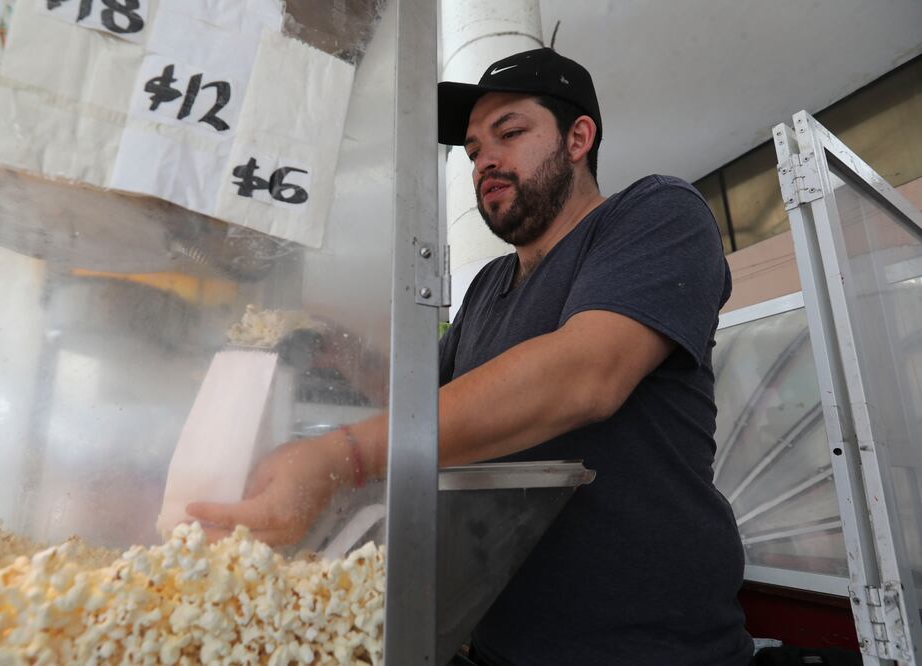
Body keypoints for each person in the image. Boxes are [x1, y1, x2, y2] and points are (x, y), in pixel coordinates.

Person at [187, 47, 754, 665]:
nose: (485, 160)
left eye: (510, 133)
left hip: (649, 648)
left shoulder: (656, 213)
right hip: (491, 638)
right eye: (474, 149)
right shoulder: (488, 286)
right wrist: (332, 345)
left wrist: (342, 456)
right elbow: (424, 404)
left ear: (578, 138)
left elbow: (588, 373)